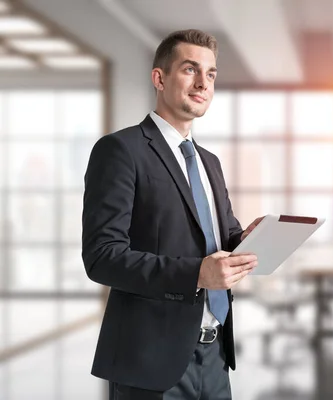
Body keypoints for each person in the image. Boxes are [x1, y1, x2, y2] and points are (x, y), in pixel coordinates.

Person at [82, 29, 263, 400]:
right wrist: (197, 274)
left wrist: (247, 240)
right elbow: (102, 257)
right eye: (190, 70)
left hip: (214, 356)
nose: (203, 83)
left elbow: (220, 237)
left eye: (211, 74)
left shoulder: (208, 162)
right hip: (150, 361)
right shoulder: (120, 151)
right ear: (159, 78)